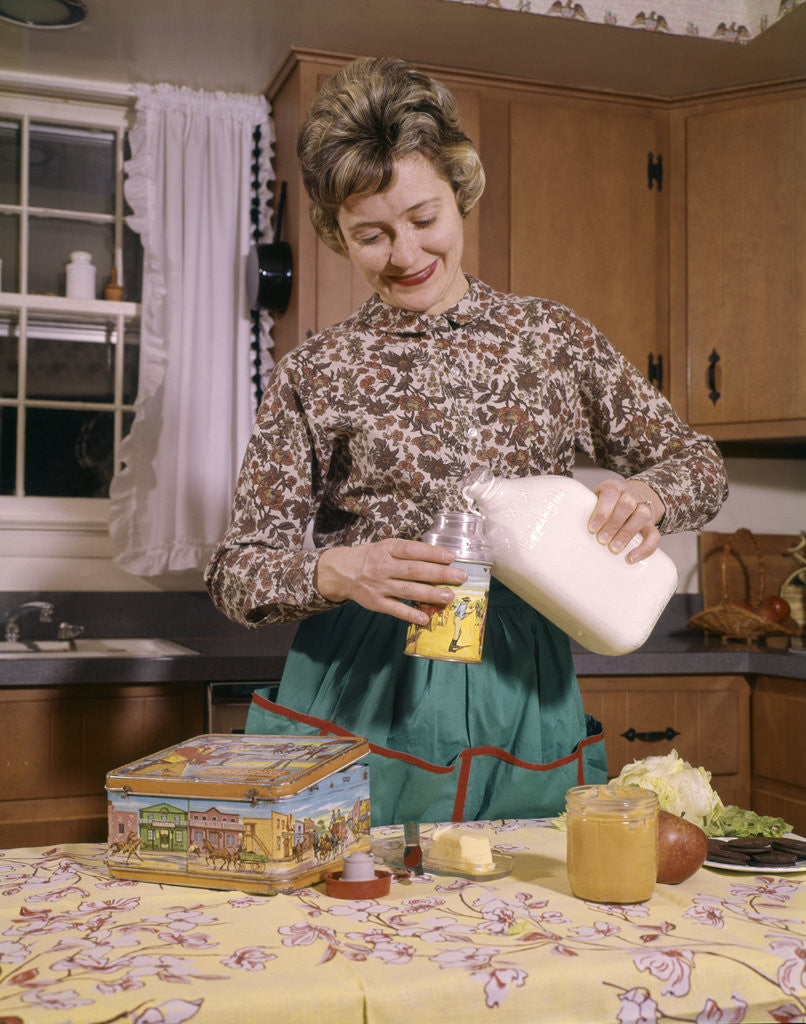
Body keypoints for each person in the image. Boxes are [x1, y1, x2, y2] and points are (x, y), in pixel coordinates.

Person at [205, 56, 728, 827]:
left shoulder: (552, 340)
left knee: (525, 890)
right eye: (371, 235)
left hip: (521, 681)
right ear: (336, 235)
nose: (406, 255)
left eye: (424, 220)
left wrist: (648, 495)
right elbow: (235, 572)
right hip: (360, 681)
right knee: (349, 895)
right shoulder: (315, 371)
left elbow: (699, 465)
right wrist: (335, 570)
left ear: (461, 191)